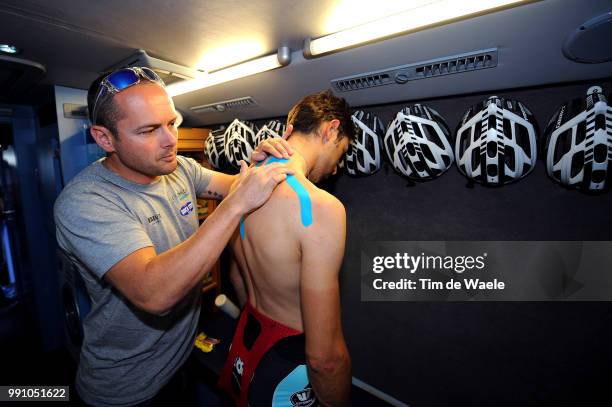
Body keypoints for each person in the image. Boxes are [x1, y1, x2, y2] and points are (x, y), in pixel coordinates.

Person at [53, 66, 294, 406]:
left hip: (181, 359)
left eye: (171, 123)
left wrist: (259, 165)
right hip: (126, 388)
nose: (170, 140)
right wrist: (235, 205)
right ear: (105, 138)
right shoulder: (85, 203)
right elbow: (155, 294)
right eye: (149, 130)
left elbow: (235, 187)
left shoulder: (179, 169)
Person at [219, 90, 355, 406]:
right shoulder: (321, 207)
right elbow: (325, 359)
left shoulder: (240, 186)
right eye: (342, 152)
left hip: (247, 341)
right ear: (330, 129)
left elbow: (237, 277)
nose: (336, 168)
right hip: (289, 365)